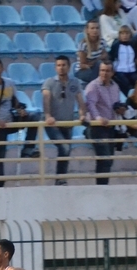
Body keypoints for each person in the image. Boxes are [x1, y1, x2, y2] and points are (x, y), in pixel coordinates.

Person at [0, 58, 41, 188]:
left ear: (2, 69)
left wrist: (20, 110)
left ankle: (28, 149)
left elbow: (15, 102)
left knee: (35, 116)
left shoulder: (10, 83)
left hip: (10, 120)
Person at [42, 55, 87, 185]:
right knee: (64, 148)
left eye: (63, 65)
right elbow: (46, 99)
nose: (61, 68)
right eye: (58, 65)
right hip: (53, 124)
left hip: (68, 123)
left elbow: (80, 101)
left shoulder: (75, 82)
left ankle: (61, 179)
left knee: (65, 152)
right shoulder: (49, 82)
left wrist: (82, 114)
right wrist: (48, 115)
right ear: (55, 68)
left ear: (69, 67)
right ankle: (60, 180)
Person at [84, 60, 122, 185]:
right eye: (102, 70)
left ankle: (102, 186)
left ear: (112, 72)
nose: (104, 73)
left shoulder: (115, 86)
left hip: (110, 127)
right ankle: (102, 187)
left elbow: (115, 104)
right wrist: (98, 118)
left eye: (107, 71)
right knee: (105, 159)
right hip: (97, 128)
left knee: (108, 159)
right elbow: (90, 105)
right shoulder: (93, 86)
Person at [110, 25, 137, 94]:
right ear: (119, 35)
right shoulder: (116, 45)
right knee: (127, 84)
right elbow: (111, 58)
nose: (125, 35)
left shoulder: (133, 45)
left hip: (132, 71)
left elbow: (136, 58)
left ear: (130, 35)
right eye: (122, 33)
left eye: (127, 33)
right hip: (120, 71)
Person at [76, 19, 105, 84]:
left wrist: (96, 61)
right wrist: (97, 59)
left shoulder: (102, 41)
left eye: (97, 28)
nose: (95, 30)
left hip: (96, 68)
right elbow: (83, 65)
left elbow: (105, 56)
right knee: (95, 72)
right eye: (92, 28)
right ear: (87, 30)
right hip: (83, 71)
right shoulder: (83, 44)